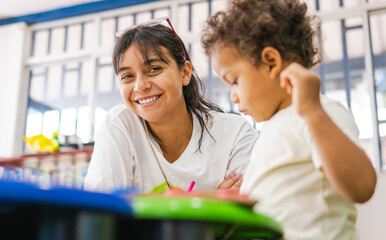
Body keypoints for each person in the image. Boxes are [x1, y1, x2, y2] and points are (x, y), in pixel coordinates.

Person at [201, 0, 377, 239]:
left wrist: (313, 112)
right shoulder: (272, 128)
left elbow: (362, 186)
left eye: (234, 80)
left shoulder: (320, 112)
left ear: (271, 63)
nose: (232, 95)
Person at [84, 17, 257, 194]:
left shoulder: (234, 134)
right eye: (127, 76)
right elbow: (100, 212)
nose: (140, 86)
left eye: (154, 69)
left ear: (185, 73)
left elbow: (247, 212)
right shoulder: (119, 125)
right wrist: (210, 203)